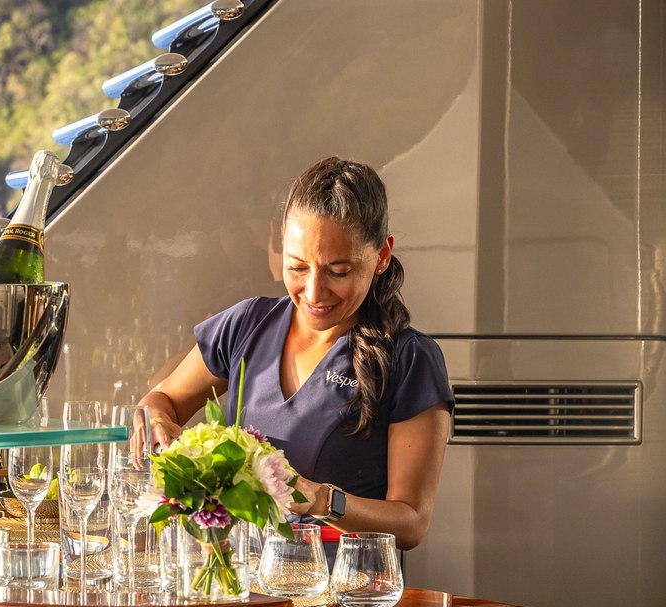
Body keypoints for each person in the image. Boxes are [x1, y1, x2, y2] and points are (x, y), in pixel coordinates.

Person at [137, 156, 452, 551]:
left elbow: (411, 523)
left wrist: (320, 499)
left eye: (338, 271)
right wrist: (157, 423)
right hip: (243, 575)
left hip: (344, 584)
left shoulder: (410, 360)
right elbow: (160, 399)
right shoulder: (246, 324)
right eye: (298, 267)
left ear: (382, 256)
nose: (314, 292)